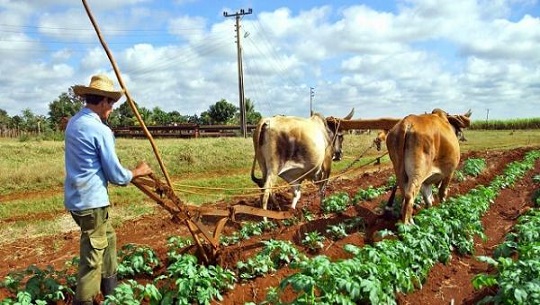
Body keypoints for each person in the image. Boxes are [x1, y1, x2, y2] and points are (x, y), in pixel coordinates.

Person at [64, 74, 153, 304]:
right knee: (92, 259)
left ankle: (111, 292)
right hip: (91, 202)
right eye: (111, 103)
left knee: (109, 239)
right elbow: (116, 175)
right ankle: (85, 300)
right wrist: (137, 171)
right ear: (102, 101)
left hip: (77, 199)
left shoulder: (75, 122)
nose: (112, 108)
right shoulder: (100, 130)